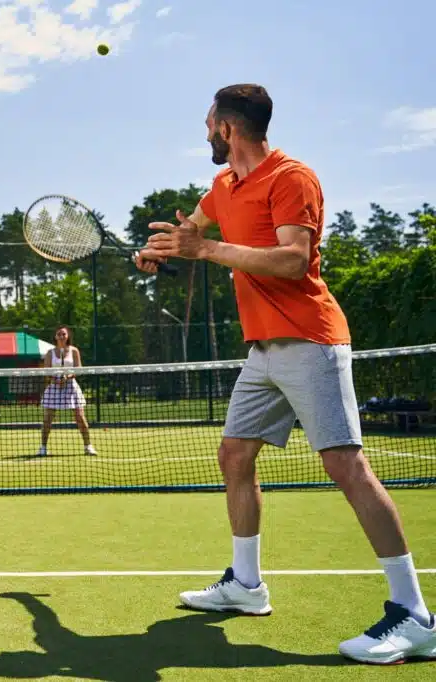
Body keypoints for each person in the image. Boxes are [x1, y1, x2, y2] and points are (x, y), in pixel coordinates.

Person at [135, 83, 435, 665]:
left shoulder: (292, 177)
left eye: (207, 123)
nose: (204, 133)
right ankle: (246, 587)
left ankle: (415, 616)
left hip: (311, 340)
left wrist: (207, 252)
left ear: (226, 127)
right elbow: (191, 235)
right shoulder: (223, 187)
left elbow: (293, 259)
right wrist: (160, 252)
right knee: (234, 455)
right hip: (262, 351)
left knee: (346, 467)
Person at [38, 326, 96, 456]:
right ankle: (43, 447)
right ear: (55, 337)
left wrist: (68, 377)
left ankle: (88, 446)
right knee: (48, 418)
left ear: (68, 336)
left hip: (71, 386)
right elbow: (46, 371)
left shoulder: (74, 351)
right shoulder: (50, 353)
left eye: (64, 334)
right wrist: (55, 380)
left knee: (80, 417)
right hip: (54, 386)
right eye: (59, 334)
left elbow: (78, 369)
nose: (61, 336)